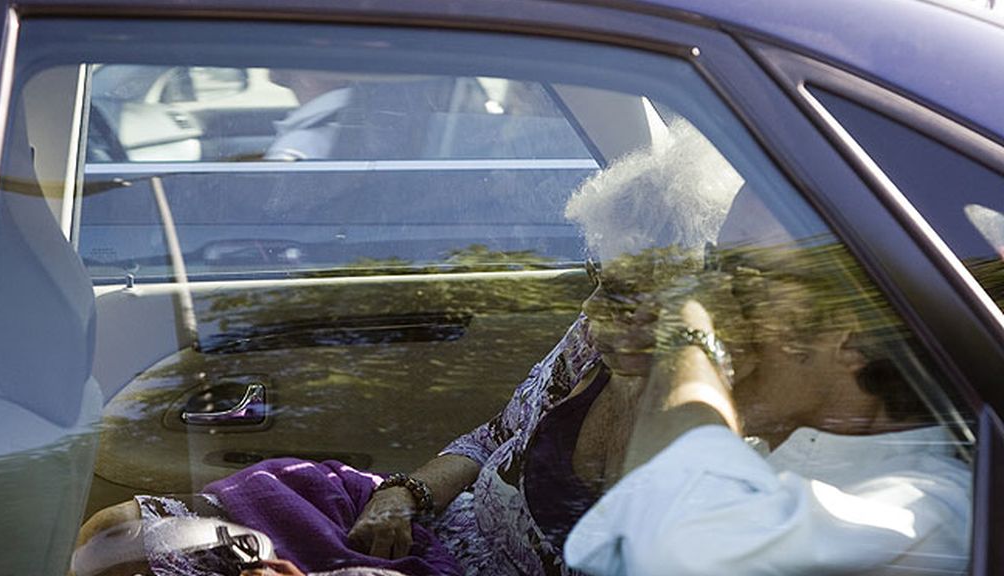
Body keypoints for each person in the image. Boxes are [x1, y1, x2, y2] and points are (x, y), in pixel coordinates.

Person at [76, 118, 741, 576]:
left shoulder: (709, 420)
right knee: (116, 536)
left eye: (629, 290)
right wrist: (404, 496)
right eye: (598, 278)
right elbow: (491, 439)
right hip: (428, 531)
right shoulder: (592, 342)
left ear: (696, 295)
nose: (594, 308)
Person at [563, 186, 972, 575]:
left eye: (742, 278)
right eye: (711, 266)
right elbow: (608, 539)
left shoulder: (925, 512)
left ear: (854, 333)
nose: (713, 298)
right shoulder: (757, 446)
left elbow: (670, 546)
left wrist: (690, 334)